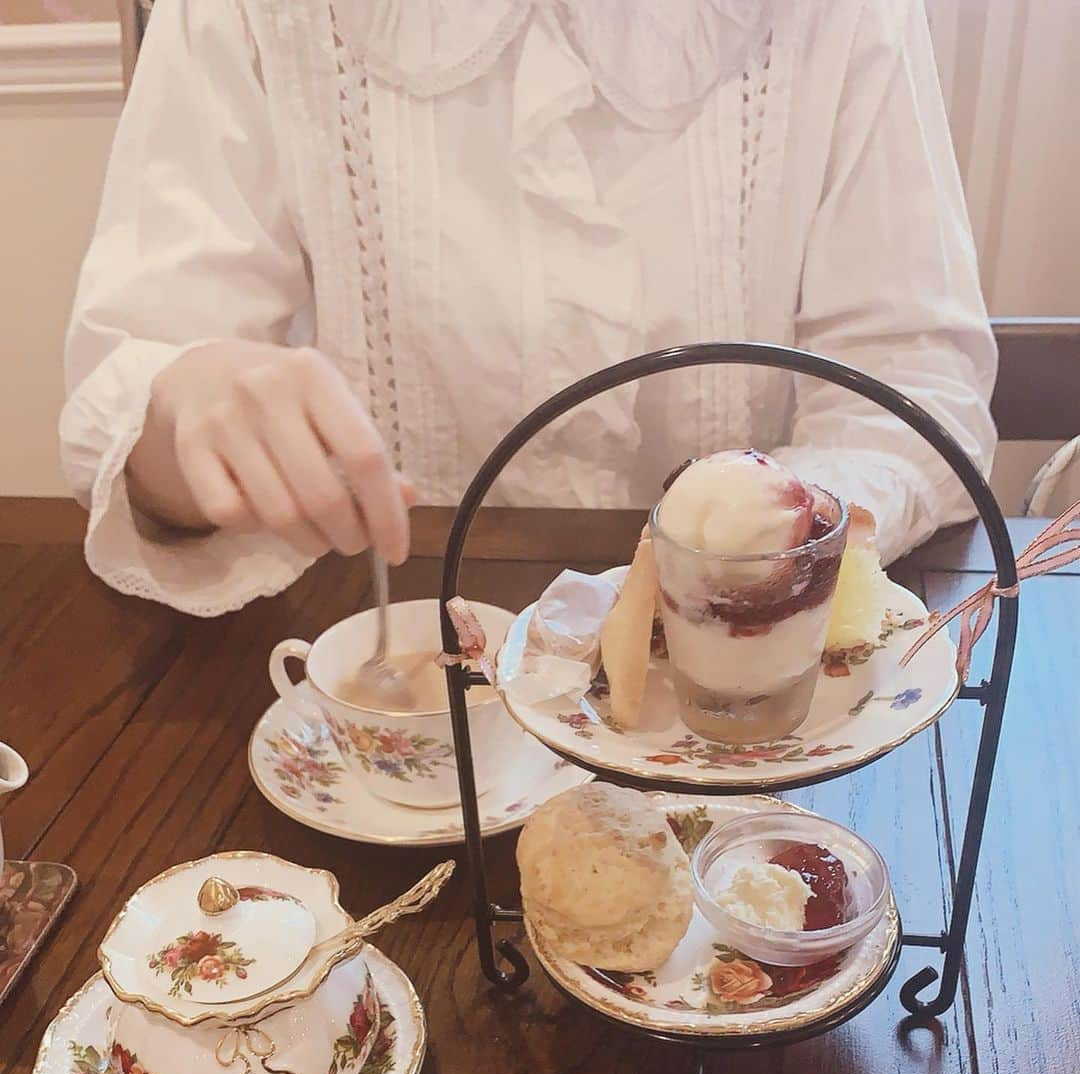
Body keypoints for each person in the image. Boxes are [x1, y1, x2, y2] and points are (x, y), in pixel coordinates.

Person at [61, 0, 997, 617]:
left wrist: (760, 539)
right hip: (395, 704)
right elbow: (139, 387)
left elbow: (909, 384)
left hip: (740, 708)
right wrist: (185, 411)